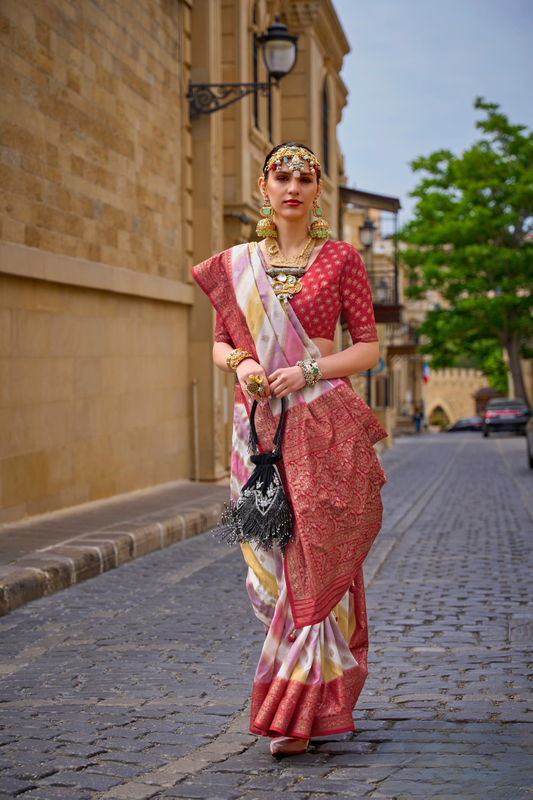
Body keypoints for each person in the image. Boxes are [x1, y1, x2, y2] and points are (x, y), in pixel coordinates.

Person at [192, 142, 387, 756]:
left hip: (322, 423)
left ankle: (300, 714)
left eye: (306, 178)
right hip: (256, 432)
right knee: (267, 566)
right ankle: (302, 691)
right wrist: (244, 362)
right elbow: (220, 346)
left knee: (319, 556)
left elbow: (368, 348)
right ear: (264, 185)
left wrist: (309, 369)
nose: (294, 187)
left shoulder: (341, 260)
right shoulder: (236, 264)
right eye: (283, 177)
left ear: (318, 188)